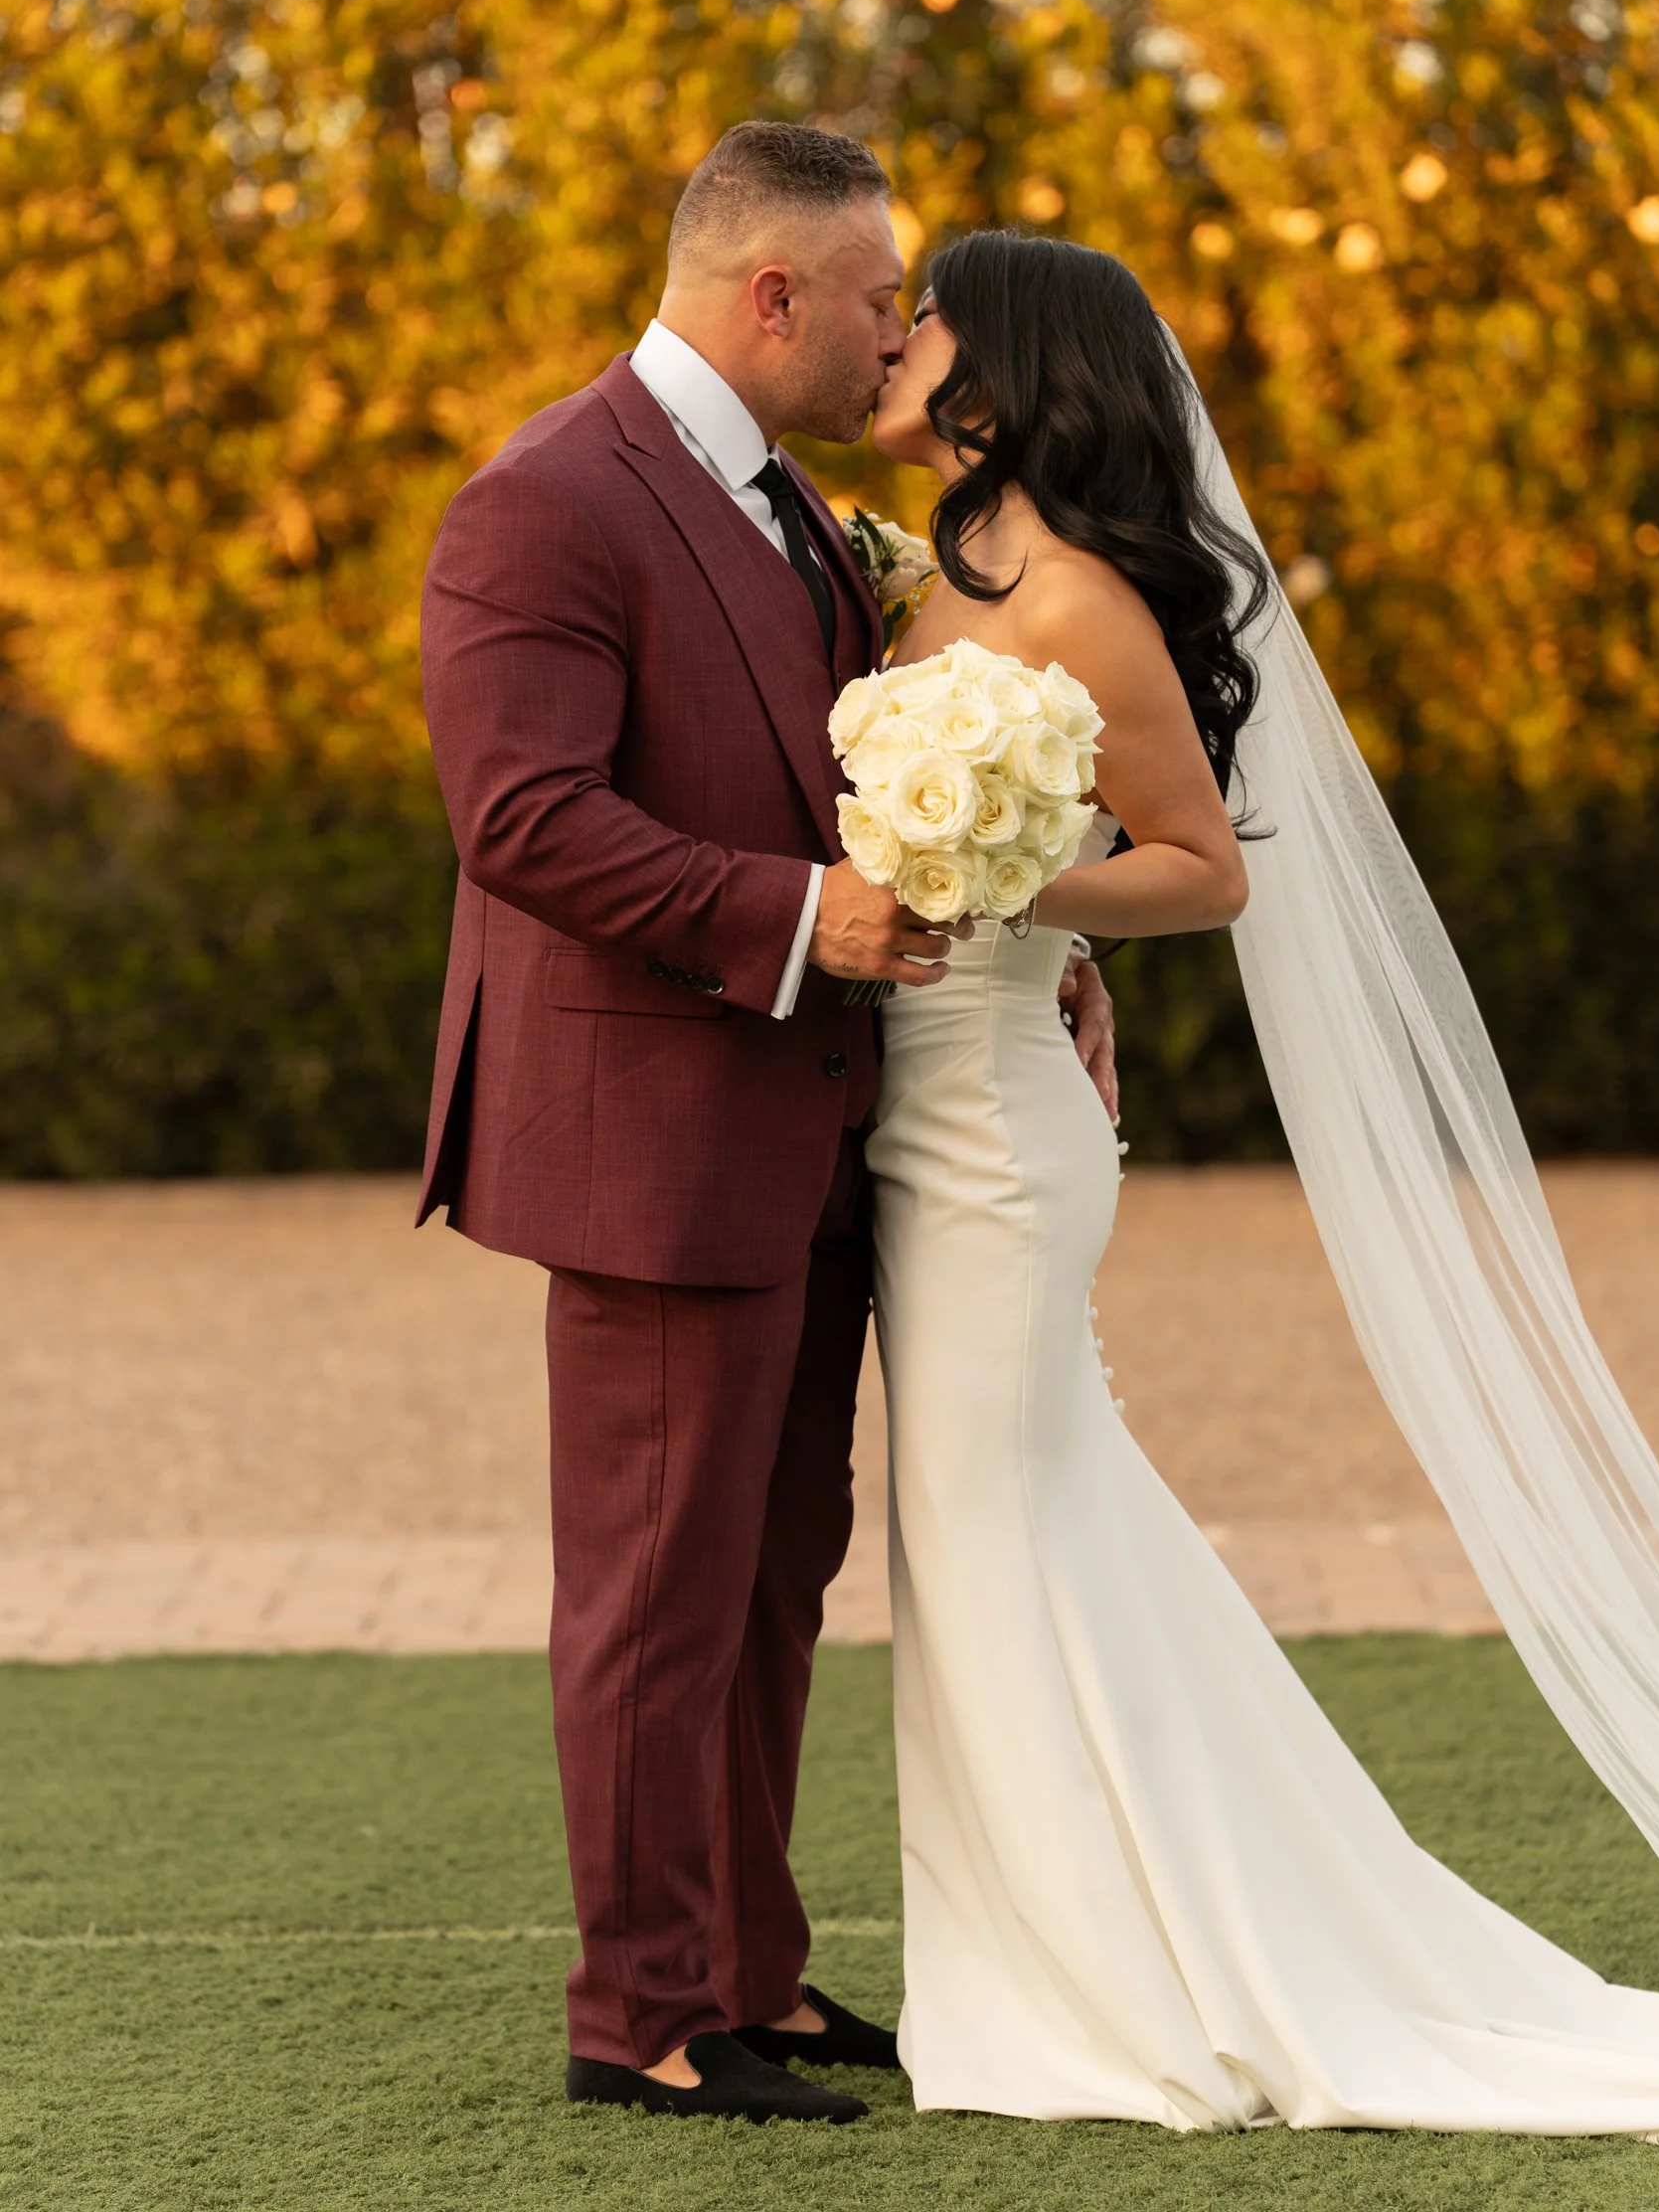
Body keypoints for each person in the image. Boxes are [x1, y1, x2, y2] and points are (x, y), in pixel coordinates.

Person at [864, 227, 1659, 2139]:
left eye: (928, 315)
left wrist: (1014, 888)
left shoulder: (1076, 604)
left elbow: (1202, 867)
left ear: (1005, 369)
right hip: (905, 1111)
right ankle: (1066, 1949)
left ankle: (1120, 1990)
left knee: (993, 1527)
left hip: (995, 1128)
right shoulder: (920, 580)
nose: (896, 337)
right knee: (1003, 1531)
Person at [416, 129, 1115, 2126]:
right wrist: (806, 915)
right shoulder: (545, 500)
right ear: (772, 299)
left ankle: (749, 1969)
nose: (903, 327)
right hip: (653, 1142)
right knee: (653, 1588)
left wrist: (1026, 942)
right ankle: (635, 2008)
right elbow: (521, 816)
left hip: (813, 1126)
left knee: (768, 1564)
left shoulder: (801, 511)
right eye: (880, 294)